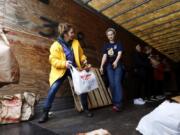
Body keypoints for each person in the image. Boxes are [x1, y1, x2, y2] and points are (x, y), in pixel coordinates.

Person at [38, 22, 93, 123]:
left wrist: (84, 60)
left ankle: (86, 109)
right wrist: (64, 63)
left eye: (73, 32)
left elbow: (81, 55)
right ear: (65, 34)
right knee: (53, 89)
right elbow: (53, 60)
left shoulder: (76, 42)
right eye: (71, 32)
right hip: (61, 70)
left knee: (83, 87)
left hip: (74, 69)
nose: (73, 34)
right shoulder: (56, 45)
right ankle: (45, 113)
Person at [100, 28, 124, 112]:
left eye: (111, 34)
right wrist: (101, 66)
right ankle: (115, 103)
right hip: (109, 66)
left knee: (117, 82)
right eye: (108, 35)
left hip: (118, 65)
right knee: (112, 84)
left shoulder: (118, 43)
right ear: (107, 36)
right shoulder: (106, 45)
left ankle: (119, 103)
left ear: (114, 34)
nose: (110, 36)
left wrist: (116, 62)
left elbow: (120, 53)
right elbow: (104, 56)